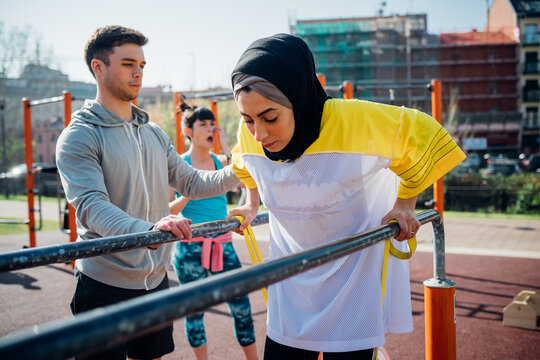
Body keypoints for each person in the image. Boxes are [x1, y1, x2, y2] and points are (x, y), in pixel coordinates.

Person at [228, 33, 466, 359]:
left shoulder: (350, 119)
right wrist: (251, 201)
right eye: (248, 119)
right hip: (292, 290)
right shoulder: (251, 134)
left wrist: (404, 204)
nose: (260, 133)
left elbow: (425, 137)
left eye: (270, 118)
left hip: (352, 284)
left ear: (298, 98)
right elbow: (243, 162)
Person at [55, 25, 239, 360]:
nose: (138, 71)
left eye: (142, 64)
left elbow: (194, 182)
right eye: (128, 63)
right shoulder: (79, 136)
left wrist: (242, 168)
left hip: (155, 282)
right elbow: (91, 205)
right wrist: (146, 232)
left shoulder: (153, 133)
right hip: (104, 285)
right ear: (98, 67)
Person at [168, 100, 258, 360]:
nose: (210, 129)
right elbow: (169, 210)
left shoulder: (220, 162)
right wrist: (190, 187)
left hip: (223, 243)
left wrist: (228, 145)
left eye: (211, 124)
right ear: (188, 131)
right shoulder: (178, 165)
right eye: (203, 124)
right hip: (190, 249)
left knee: (241, 307)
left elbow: (243, 182)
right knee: (194, 312)